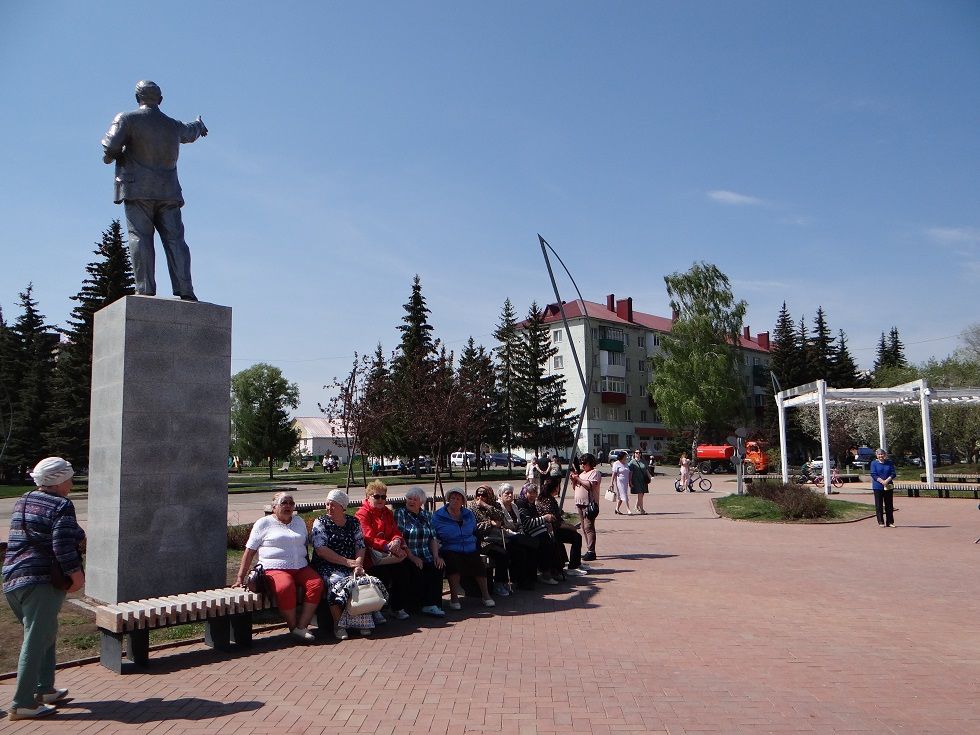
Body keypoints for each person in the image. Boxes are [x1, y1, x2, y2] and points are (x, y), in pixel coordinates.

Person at [101, 80, 208, 300]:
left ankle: (145, 289)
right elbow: (191, 131)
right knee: (176, 240)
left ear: (137, 98)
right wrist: (199, 124)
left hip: (137, 189)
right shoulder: (173, 125)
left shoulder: (127, 119)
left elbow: (110, 146)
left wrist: (115, 155)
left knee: (140, 237)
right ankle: (186, 289)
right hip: (168, 192)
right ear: (160, 100)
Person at [2, 458, 86, 721]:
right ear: (59, 481)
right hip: (41, 581)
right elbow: (61, 544)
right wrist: (77, 575)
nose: (71, 484)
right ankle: (23, 703)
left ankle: (44, 688)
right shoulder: (62, 505)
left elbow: (53, 532)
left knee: (44, 632)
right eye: (70, 479)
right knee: (36, 640)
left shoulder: (24, 499)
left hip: (12, 579)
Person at [235, 492, 322, 641]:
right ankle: (293, 626)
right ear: (274, 507)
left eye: (291, 503)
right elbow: (249, 551)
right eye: (284, 503)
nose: (288, 506)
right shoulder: (264, 523)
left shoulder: (299, 521)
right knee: (286, 586)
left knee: (316, 583)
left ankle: (301, 626)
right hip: (273, 568)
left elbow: (305, 546)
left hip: (300, 567)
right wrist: (240, 577)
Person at [310, 489, 381, 639]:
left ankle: (362, 621)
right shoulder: (321, 522)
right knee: (335, 582)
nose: (329, 507)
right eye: (327, 504)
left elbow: (360, 545)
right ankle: (339, 624)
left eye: (333, 505)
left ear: (343, 507)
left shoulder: (353, 522)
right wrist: (348, 562)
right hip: (327, 564)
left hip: (351, 563)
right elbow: (321, 550)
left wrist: (359, 564)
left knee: (361, 580)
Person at [355, 480, 412, 621]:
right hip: (370, 556)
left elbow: (395, 530)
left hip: (388, 555)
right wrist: (386, 545)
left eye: (383, 497)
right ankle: (375, 610)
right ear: (368, 497)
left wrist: (397, 540)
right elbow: (367, 537)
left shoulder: (387, 512)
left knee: (404, 572)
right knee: (382, 576)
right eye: (377, 496)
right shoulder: (362, 514)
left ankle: (396, 607)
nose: (381, 500)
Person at [431, 488, 495, 609]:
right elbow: (434, 534)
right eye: (452, 498)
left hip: (469, 547)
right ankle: (454, 598)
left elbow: (473, 530)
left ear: (463, 501)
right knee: (453, 563)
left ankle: (486, 595)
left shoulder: (468, 514)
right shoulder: (439, 515)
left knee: (478, 564)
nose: (455, 500)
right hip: (449, 548)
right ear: (448, 499)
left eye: (458, 498)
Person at [394, 487, 447, 617]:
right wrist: (412, 557)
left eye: (415, 499)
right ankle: (414, 605)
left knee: (437, 566)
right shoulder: (400, 513)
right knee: (416, 568)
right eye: (409, 498)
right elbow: (400, 537)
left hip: (425, 553)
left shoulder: (426, 515)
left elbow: (433, 537)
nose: (411, 501)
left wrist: (436, 556)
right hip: (407, 554)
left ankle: (431, 604)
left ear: (421, 502)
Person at [536, 478, 589, 577]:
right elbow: (554, 522)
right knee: (576, 537)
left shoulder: (548, 498)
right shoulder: (547, 501)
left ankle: (576, 563)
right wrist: (570, 527)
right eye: (558, 487)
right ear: (555, 488)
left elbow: (558, 517)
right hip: (551, 530)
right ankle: (573, 567)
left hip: (555, 528)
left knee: (574, 536)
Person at [469, 485, 512, 597]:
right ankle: (498, 584)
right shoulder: (472, 507)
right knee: (501, 554)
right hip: (483, 540)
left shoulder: (495, 504)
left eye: (484, 495)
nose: (480, 497)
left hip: (497, 538)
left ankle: (505, 581)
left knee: (513, 549)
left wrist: (486, 506)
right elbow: (475, 526)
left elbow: (501, 517)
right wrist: (490, 523)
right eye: (478, 494)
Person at [514, 483, 560, 585]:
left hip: (533, 531)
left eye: (535, 493)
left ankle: (555, 570)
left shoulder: (531, 503)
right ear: (525, 493)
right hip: (524, 532)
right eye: (530, 493)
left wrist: (546, 523)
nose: (533, 495)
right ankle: (545, 573)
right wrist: (544, 518)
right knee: (545, 541)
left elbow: (536, 520)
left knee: (552, 539)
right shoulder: (521, 504)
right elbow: (527, 523)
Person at [497, 483, 540, 590]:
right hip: (506, 537)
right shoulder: (498, 507)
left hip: (518, 537)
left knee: (531, 549)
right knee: (521, 551)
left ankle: (530, 578)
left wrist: (520, 532)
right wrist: (515, 534)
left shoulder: (514, 506)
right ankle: (520, 580)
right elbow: (502, 527)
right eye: (507, 493)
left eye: (511, 493)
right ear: (500, 495)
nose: (510, 496)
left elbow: (520, 524)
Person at [569, 453, 601, 560]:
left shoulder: (594, 473)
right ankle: (588, 549)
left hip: (589, 504)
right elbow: (575, 487)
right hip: (579, 503)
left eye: (585, 463)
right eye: (581, 463)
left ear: (590, 463)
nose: (583, 465)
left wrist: (577, 478)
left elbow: (589, 485)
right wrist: (574, 480)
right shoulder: (582, 474)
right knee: (583, 527)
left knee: (589, 527)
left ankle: (591, 551)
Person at [870, 448, 897, 528]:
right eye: (879, 454)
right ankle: (880, 521)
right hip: (878, 486)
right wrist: (882, 481)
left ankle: (890, 522)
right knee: (879, 505)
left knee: (889, 504)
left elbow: (893, 473)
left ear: (884, 455)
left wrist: (887, 480)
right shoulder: (874, 463)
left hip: (888, 486)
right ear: (876, 455)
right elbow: (873, 474)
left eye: (882, 454)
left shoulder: (889, 463)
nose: (880, 456)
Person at [628, 449, 652, 514]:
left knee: (642, 494)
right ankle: (641, 509)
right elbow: (630, 472)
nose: (638, 454)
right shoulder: (632, 462)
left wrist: (649, 477)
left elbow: (646, 470)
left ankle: (636, 506)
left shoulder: (643, 461)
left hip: (643, 480)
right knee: (640, 494)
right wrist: (630, 481)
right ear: (634, 454)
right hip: (636, 480)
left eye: (639, 453)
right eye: (636, 453)